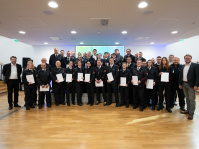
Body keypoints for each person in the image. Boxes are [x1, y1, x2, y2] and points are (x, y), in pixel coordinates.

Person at [179, 54, 199, 120]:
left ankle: (191, 113)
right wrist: (180, 83)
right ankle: (188, 110)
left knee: (192, 99)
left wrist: (196, 85)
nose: (187, 59)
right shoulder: (182, 66)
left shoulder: (195, 65)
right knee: (187, 98)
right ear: (184, 59)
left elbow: (197, 76)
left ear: (191, 59)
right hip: (184, 84)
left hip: (191, 85)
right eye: (186, 58)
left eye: (189, 58)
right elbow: (181, 75)